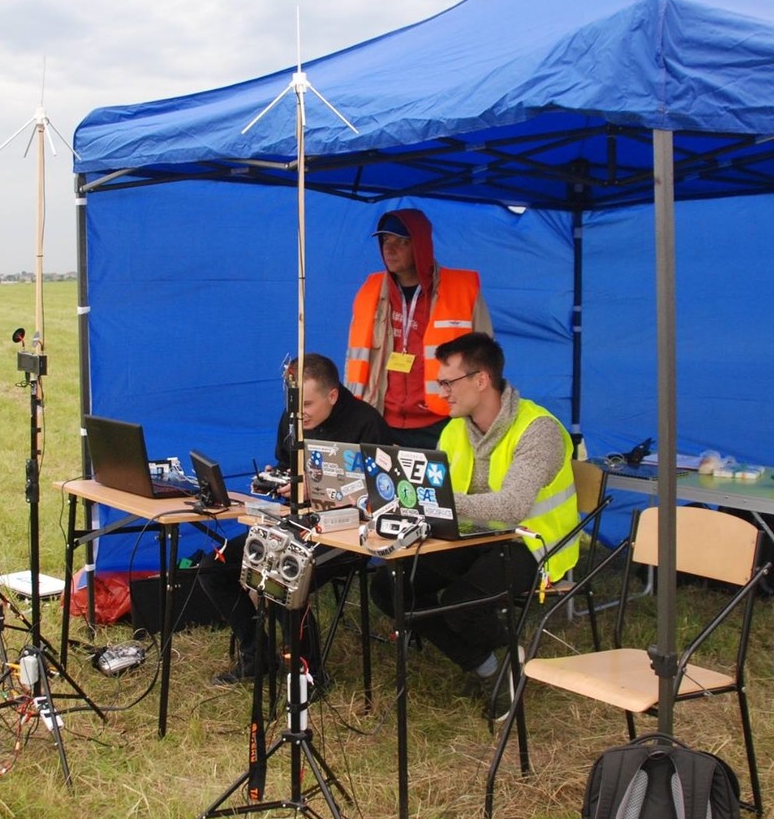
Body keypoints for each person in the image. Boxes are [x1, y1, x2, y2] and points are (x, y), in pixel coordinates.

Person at [371, 331, 580, 721]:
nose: (442, 392)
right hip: (473, 535)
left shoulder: (539, 430)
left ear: (481, 380)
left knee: (460, 604)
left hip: (534, 543)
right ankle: (490, 664)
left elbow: (512, 507)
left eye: (448, 383)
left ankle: (503, 659)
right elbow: (439, 495)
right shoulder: (454, 429)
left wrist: (437, 501)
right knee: (390, 584)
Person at [200, 353, 390, 687]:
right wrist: (278, 479)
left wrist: (320, 492)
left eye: (308, 404)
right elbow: (287, 465)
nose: (300, 413)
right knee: (213, 569)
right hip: (297, 523)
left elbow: (383, 494)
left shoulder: (366, 423)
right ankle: (257, 655)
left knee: (283, 576)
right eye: (294, 404)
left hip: (348, 534)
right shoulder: (293, 416)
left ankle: (309, 675)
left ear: (333, 395)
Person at [345, 208, 493, 449]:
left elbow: (487, 359)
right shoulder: (369, 291)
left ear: (421, 246)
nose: (389, 249)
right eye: (385, 240)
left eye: (401, 242)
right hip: (382, 420)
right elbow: (353, 360)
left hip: (443, 421)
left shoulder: (462, 291)